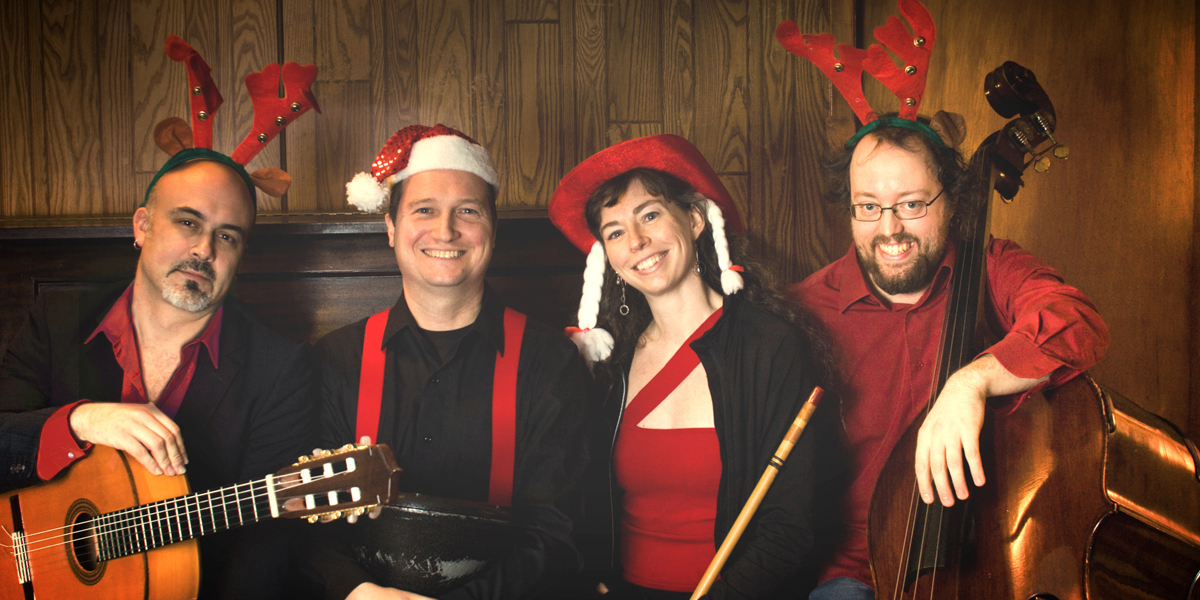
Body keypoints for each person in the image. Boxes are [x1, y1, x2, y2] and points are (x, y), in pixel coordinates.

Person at [0, 36, 320, 599]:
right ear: (143, 226)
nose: (204, 250)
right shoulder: (58, 320)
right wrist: (79, 421)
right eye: (187, 223)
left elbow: (268, 551)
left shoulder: (279, 369)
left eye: (227, 236)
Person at [304, 123, 590, 600]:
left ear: (493, 231)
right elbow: (308, 523)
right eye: (424, 209)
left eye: (468, 211)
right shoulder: (335, 359)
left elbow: (556, 534)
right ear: (391, 228)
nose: (445, 230)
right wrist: (354, 590)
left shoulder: (550, 363)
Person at [548, 134, 828, 599]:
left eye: (650, 215)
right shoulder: (607, 362)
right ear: (607, 258)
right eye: (615, 232)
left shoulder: (771, 346)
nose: (636, 242)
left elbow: (790, 527)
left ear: (695, 219)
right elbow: (577, 498)